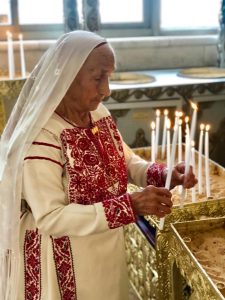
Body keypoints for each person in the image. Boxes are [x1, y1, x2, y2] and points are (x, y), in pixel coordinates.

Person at [0, 30, 197, 300]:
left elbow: (125, 160)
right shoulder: (42, 137)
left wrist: (163, 174)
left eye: (109, 76)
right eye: (98, 78)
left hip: (105, 244)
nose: (106, 90)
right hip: (66, 258)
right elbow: (51, 218)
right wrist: (131, 205)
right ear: (68, 76)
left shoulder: (97, 114)